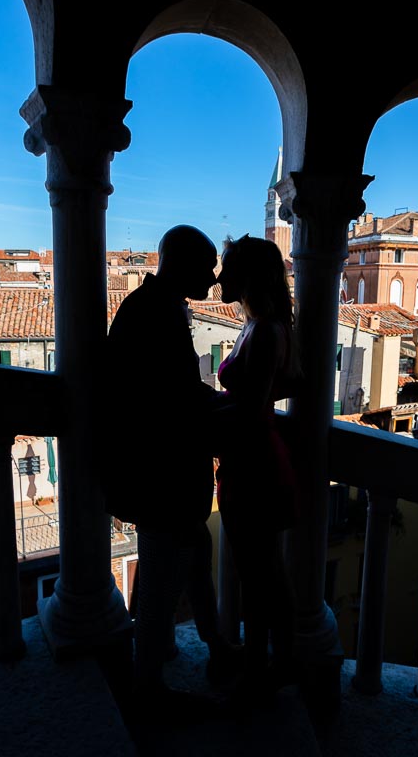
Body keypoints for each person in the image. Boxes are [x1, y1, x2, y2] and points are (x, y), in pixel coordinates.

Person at [105, 224, 238, 707]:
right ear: (182, 265)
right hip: (161, 475)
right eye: (207, 268)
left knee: (196, 552)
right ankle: (148, 689)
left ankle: (214, 643)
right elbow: (167, 398)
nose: (214, 276)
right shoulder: (156, 313)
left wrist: (212, 401)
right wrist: (220, 406)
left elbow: (169, 389)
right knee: (161, 580)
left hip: (156, 472)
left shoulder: (151, 307)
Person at [214, 234, 300, 700]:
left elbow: (250, 408)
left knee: (258, 575)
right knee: (266, 571)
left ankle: (260, 668)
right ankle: (277, 662)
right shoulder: (260, 326)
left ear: (247, 276)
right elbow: (264, 395)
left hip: (253, 466)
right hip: (253, 458)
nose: (219, 278)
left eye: (227, 269)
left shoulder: (265, 331)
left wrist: (203, 416)